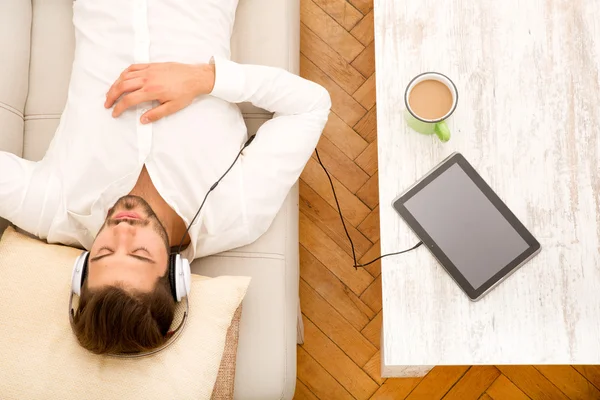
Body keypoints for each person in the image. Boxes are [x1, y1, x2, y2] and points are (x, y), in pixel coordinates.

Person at [0, 0, 330, 354]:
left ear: (82, 267)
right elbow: (311, 105)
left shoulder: (57, 209)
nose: (122, 230)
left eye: (104, 252)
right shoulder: (236, 213)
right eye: (140, 253)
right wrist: (207, 78)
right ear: (175, 274)